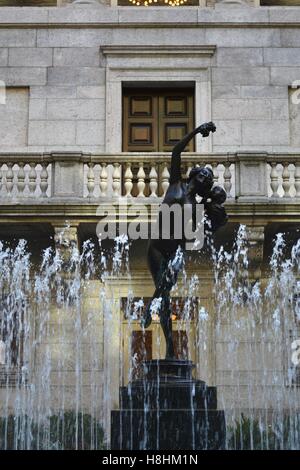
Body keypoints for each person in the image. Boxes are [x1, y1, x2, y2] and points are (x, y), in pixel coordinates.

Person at [141, 122, 228, 359]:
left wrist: (217, 213)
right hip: (157, 248)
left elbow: (203, 232)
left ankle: (152, 311)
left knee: (167, 283)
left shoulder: (198, 206)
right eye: (203, 174)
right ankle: (168, 343)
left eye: (208, 178)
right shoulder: (175, 184)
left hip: (176, 251)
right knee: (165, 295)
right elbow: (176, 151)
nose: (205, 178)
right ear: (193, 175)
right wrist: (197, 131)